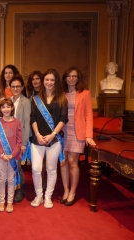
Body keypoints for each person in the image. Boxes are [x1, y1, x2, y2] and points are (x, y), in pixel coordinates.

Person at [30, 69, 68, 209]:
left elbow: (64, 119)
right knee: (36, 169)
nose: (49, 82)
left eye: (52, 80)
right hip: (38, 138)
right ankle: (39, 195)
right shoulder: (36, 99)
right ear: (42, 81)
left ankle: (48, 197)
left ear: (56, 81)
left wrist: (52, 134)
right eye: (47, 79)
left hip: (54, 138)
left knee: (51, 169)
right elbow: (32, 117)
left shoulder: (62, 99)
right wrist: (38, 134)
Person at [60, 67, 96, 206]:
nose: (71, 78)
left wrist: (88, 135)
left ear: (78, 78)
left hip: (77, 132)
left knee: (72, 162)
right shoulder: (61, 93)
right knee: (63, 162)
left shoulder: (85, 93)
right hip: (62, 132)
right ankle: (66, 190)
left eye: (74, 76)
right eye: (68, 76)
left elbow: (88, 114)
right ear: (65, 78)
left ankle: (73, 192)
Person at [0, 98, 22, 212]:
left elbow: (19, 141)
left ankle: (9, 202)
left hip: (13, 157)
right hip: (1, 156)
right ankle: (1, 201)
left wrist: (13, 154)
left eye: (8, 107)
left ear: (12, 108)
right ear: (0, 109)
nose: (6, 109)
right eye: (3, 107)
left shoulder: (17, 122)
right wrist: (1, 154)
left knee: (11, 179)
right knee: (2, 179)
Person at [10, 75, 31, 203]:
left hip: (19, 141)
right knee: (9, 166)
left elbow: (26, 123)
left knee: (17, 166)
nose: (16, 88)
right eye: (13, 86)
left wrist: (24, 143)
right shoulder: (8, 100)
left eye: (18, 86)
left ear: (22, 87)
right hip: (8, 139)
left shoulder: (26, 102)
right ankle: (12, 188)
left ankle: (20, 190)